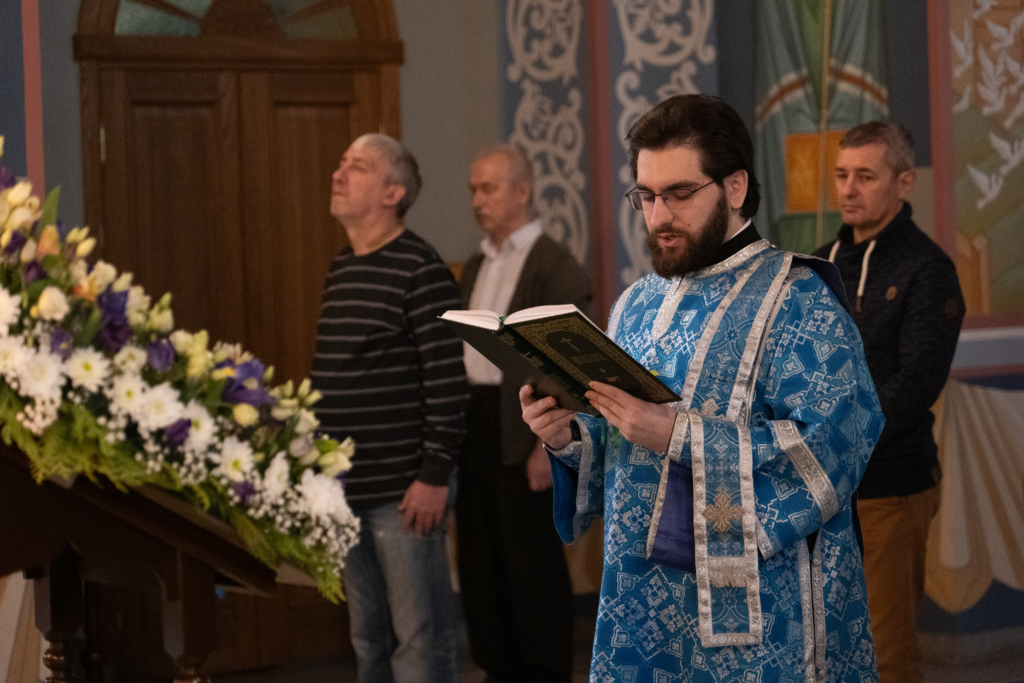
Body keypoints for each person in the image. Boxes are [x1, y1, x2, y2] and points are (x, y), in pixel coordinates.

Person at [520, 94, 885, 682]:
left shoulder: (799, 300)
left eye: (680, 193)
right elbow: (624, 449)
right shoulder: (637, 304)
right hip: (639, 600)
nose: (658, 215)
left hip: (754, 612)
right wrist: (570, 438)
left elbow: (834, 448)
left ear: (735, 187)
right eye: (646, 196)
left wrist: (680, 435)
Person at [311, 133, 469, 683]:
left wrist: (433, 476)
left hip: (403, 493)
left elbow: (447, 379)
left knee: (421, 642)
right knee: (367, 640)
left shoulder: (420, 268)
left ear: (392, 193)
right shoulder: (342, 266)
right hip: (344, 487)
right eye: (341, 162)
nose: (338, 174)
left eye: (356, 166)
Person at [814, 121, 964, 683]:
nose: (849, 189)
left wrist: (833, 439)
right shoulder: (817, 266)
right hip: (818, 485)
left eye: (866, 176)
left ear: (904, 182)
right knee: (821, 644)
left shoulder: (928, 270)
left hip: (889, 486)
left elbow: (914, 385)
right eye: (841, 175)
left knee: (884, 649)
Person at [456, 145, 592, 683]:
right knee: (481, 558)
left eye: (488, 188)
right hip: (476, 422)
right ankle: (497, 666)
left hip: (526, 426)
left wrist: (544, 445)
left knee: (529, 563)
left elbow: (567, 362)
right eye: (473, 189)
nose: (477, 200)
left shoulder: (553, 264)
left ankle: (542, 670)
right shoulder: (476, 263)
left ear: (522, 191)